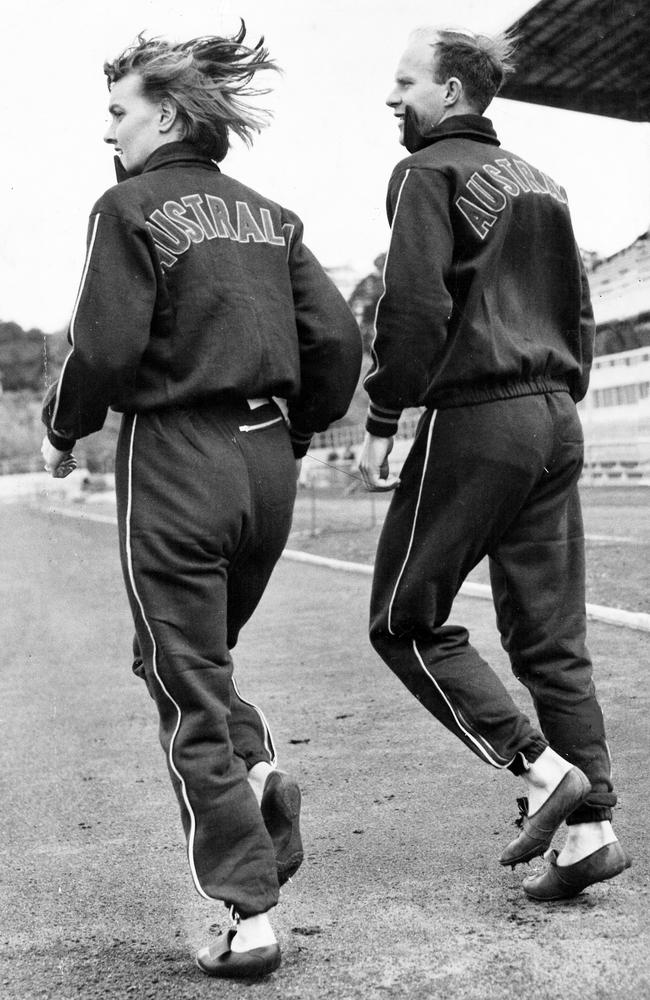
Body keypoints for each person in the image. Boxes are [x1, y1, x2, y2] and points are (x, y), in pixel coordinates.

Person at [41, 25, 361, 980]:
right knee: (188, 659)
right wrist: (299, 430)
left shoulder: (127, 205)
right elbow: (339, 344)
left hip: (176, 455)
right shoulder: (273, 214)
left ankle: (246, 913)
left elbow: (102, 348)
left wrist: (62, 428)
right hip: (268, 463)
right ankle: (257, 772)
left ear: (167, 112)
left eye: (118, 111)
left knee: (182, 680)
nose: (108, 131)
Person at [358, 26, 631, 901]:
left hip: (480, 413)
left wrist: (382, 416)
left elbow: (410, 309)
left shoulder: (425, 172)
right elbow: (581, 310)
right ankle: (592, 831)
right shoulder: (543, 182)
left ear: (450, 91)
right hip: (556, 413)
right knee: (552, 637)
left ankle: (540, 769)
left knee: (403, 619)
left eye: (405, 83)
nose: (393, 98)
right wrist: (560, 393)